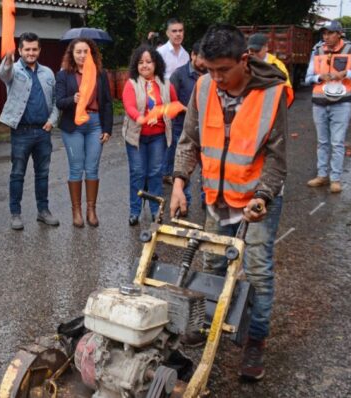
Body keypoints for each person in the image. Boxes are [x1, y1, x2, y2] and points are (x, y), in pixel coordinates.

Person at [170, 24, 292, 381]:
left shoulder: (274, 94)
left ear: (244, 60)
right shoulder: (204, 87)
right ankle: (207, 325)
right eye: (209, 70)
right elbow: (189, 140)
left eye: (223, 70)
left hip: (258, 200)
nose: (216, 77)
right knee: (212, 266)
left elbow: (277, 156)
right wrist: (179, 184)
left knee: (257, 273)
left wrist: (263, 195)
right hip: (216, 197)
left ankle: (255, 340)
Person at [0, 32, 60, 230]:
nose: (31, 53)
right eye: (27, 49)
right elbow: (3, 73)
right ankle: (15, 214)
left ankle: (43, 211)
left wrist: (52, 121)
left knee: (43, 174)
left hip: (43, 131)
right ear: (20, 50)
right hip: (21, 132)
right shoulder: (13, 70)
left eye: (34, 49)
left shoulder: (48, 73)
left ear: (39, 50)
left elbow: (56, 102)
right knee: (17, 174)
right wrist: (7, 61)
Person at [304, 20, 351, 193]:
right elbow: (308, 77)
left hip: (341, 104)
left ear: (339, 33)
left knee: (337, 142)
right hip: (319, 103)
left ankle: (335, 179)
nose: (326, 36)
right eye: (324, 33)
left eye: (330, 33)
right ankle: (322, 176)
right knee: (322, 142)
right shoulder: (317, 50)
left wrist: (347, 73)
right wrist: (319, 78)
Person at [55, 38, 113, 228]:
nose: (82, 55)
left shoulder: (100, 74)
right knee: (76, 168)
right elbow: (59, 102)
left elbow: (106, 103)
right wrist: (73, 98)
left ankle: (91, 210)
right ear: (72, 54)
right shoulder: (64, 75)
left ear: (92, 53)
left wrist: (107, 128)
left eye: (85, 51)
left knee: (92, 168)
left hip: (95, 123)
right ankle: (77, 211)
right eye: (78, 52)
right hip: (73, 125)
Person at [121, 44, 180, 226]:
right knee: (138, 173)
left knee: (155, 173)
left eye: (148, 62)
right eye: (140, 62)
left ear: (156, 64)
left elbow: (175, 104)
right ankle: (135, 211)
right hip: (136, 137)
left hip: (158, 136)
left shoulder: (165, 84)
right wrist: (138, 117)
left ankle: (156, 210)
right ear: (135, 65)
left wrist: (169, 111)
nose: (144, 65)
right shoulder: (131, 83)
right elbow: (129, 104)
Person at [163, 39, 206, 197]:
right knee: (182, 165)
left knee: (206, 166)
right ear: (193, 56)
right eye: (202, 57)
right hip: (182, 127)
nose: (204, 62)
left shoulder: (210, 75)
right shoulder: (179, 74)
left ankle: (206, 198)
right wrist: (187, 110)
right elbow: (170, 100)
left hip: (205, 128)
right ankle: (184, 201)